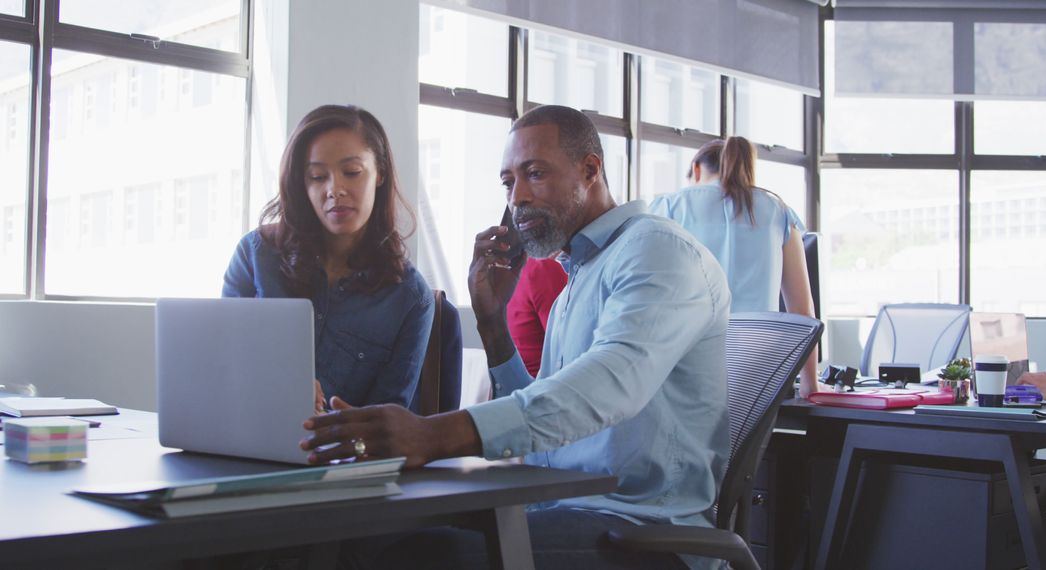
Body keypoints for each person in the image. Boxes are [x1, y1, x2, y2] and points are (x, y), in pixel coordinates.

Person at [301, 105, 732, 570]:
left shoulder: (657, 250)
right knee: (371, 540)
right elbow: (545, 430)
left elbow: (610, 385)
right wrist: (492, 323)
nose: (518, 197)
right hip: (562, 509)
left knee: (416, 558)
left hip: (643, 532)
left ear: (590, 170)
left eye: (535, 174)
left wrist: (434, 434)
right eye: (508, 182)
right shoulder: (580, 277)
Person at [223, 104, 434, 410]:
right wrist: (279, 381)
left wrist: (332, 421)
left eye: (352, 172)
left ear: (380, 173)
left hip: (341, 440)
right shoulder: (255, 255)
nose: (335, 190)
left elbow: (388, 423)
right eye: (318, 177)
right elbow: (223, 364)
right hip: (248, 429)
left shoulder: (411, 298)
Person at [650, 136, 819, 396]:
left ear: (696, 169)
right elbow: (802, 311)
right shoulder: (779, 211)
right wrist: (810, 386)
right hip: (759, 372)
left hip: (688, 366)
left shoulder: (669, 207)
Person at [506, 257, 567, 377]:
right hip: (544, 383)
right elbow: (568, 351)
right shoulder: (543, 268)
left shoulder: (493, 271)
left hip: (511, 382)